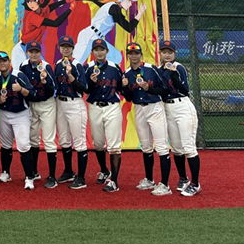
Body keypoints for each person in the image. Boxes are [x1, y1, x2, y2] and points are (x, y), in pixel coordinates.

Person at [122, 42, 171, 196]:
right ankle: (149, 180)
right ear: (127, 55)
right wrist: (125, 87)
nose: (134, 56)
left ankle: (165, 185)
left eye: (136, 53)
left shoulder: (151, 69)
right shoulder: (127, 73)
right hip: (139, 109)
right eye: (131, 53)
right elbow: (128, 98)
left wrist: (149, 88)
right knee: (146, 146)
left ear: (141, 54)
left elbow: (164, 89)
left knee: (161, 146)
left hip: (154, 107)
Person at [157, 40, 201, 196]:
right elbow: (161, 91)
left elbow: (184, 89)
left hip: (183, 106)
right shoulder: (159, 70)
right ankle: (183, 178)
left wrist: (173, 74)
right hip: (168, 108)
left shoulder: (179, 67)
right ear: (160, 53)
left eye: (170, 52)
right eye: (164, 52)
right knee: (176, 148)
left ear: (174, 54)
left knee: (188, 147)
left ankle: (195, 184)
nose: (167, 55)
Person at [84, 39, 125, 193]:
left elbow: (122, 88)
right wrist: (91, 82)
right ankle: (104, 170)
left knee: (114, 146)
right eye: (96, 49)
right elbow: (86, 89)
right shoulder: (88, 68)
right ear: (92, 52)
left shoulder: (114, 67)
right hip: (95, 107)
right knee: (98, 144)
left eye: (102, 49)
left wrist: (126, 85)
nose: (99, 52)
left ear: (107, 51)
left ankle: (114, 181)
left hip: (112, 107)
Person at [0, 50, 37, 190]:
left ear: (9, 62)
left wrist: (21, 89)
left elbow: (32, 94)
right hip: (4, 113)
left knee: (23, 145)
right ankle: (6, 172)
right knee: (5, 145)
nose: (2, 64)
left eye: (4, 61)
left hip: (20, 113)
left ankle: (29, 177)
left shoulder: (19, 75)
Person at [73, 0, 147, 65]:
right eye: (129, 0)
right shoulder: (114, 8)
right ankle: (89, 69)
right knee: (77, 64)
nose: (130, 4)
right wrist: (140, 13)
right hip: (89, 36)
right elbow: (129, 27)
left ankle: (96, 69)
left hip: (96, 37)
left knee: (116, 57)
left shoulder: (112, 6)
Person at [19, 41, 58, 188]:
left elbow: (53, 90)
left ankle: (52, 176)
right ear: (27, 52)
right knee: (33, 139)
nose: (34, 54)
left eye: (36, 51)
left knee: (48, 140)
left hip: (47, 104)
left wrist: (45, 81)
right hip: (31, 105)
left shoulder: (46, 66)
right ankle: (34, 172)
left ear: (40, 53)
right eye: (31, 51)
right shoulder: (23, 66)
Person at [52, 35, 89, 189]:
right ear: (59, 48)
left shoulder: (77, 65)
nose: (66, 49)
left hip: (74, 103)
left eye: (68, 46)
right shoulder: (58, 64)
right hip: (60, 103)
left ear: (73, 49)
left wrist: (71, 77)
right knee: (64, 140)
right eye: (63, 46)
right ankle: (68, 171)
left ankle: (81, 178)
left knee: (79, 141)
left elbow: (84, 88)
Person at [11, 0, 75, 71]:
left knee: (46, 72)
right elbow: (56, 23)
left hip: (34, 50)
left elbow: (50, 7)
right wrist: (70, 9)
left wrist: (65, 1)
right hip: (22, 50)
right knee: (20, 74)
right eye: (28, 1)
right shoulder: (32, 16)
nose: (31, 4)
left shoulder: (41, 11)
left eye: (34, 0)